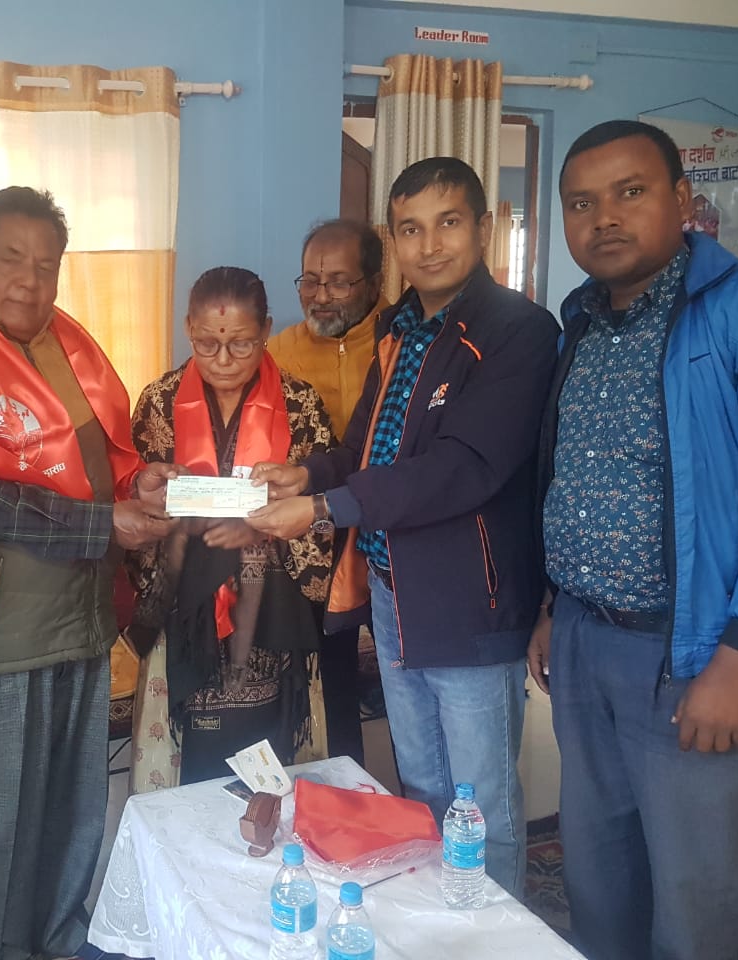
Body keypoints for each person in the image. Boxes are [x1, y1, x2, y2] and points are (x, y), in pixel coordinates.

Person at [532, 119, 738, 960]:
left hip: (694, 649)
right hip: (584, 639)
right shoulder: (580, 325)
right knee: (598, 866)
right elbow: (574, 475)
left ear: (682, 200)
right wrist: (554, 607)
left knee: (693, 891)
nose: (604, 217)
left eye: (630, 192)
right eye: (581, 203)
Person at [248, 157, 559, 897]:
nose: (430, 245)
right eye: (411, 229)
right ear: (395, 242)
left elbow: (463, 468)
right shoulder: (401, 328)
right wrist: (306, 475)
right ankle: (435, 926)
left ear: (483, 230)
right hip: (395, 593)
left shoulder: (517, 331)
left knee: (480, 805)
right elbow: (365, 445)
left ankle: (490, 935)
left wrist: (323, 509)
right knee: (421, 785)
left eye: (448, 223)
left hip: (471, 600)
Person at [0, 185, 176, 960]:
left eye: (47, 265)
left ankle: (62, 942)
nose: (30, 280)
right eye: (11, 258)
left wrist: (138, 483)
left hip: (78, 618)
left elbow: (99, 459)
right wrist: (106, 523)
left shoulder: (67, 346)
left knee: (74, 813)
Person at [128, 266, 336, 789]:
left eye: (241, 344)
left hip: (271, 612)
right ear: (188, 328)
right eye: (206, 344)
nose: (222, 360)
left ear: (265, 329)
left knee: (269, 776)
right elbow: (136, 509)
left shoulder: (300, 404)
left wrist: (261, 531)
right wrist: (154, 498)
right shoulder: (158, 402)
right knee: (190, 771)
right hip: (186, 611)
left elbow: (322, 513)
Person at [268, 219, 389, 765]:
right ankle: (344, 780)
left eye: (339, 281)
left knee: (403, 671)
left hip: (393, 528)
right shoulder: (278, 354)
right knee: (330, 665)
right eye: (310, 280)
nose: (320, 295)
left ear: (374, 283)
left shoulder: (400, 342)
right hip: (314, 532)